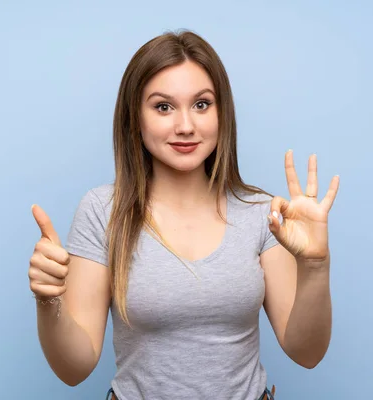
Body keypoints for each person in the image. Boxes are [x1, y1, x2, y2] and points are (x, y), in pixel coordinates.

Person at [28, 30, 340, 400]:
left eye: (202, 104)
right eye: (163, 107)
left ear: (222, 112)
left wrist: (315, 265)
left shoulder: (262, 213)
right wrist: (48, 300)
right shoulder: (102, 212)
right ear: (135, 118)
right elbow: (74, 369)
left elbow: (306, 353)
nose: (186, 126)